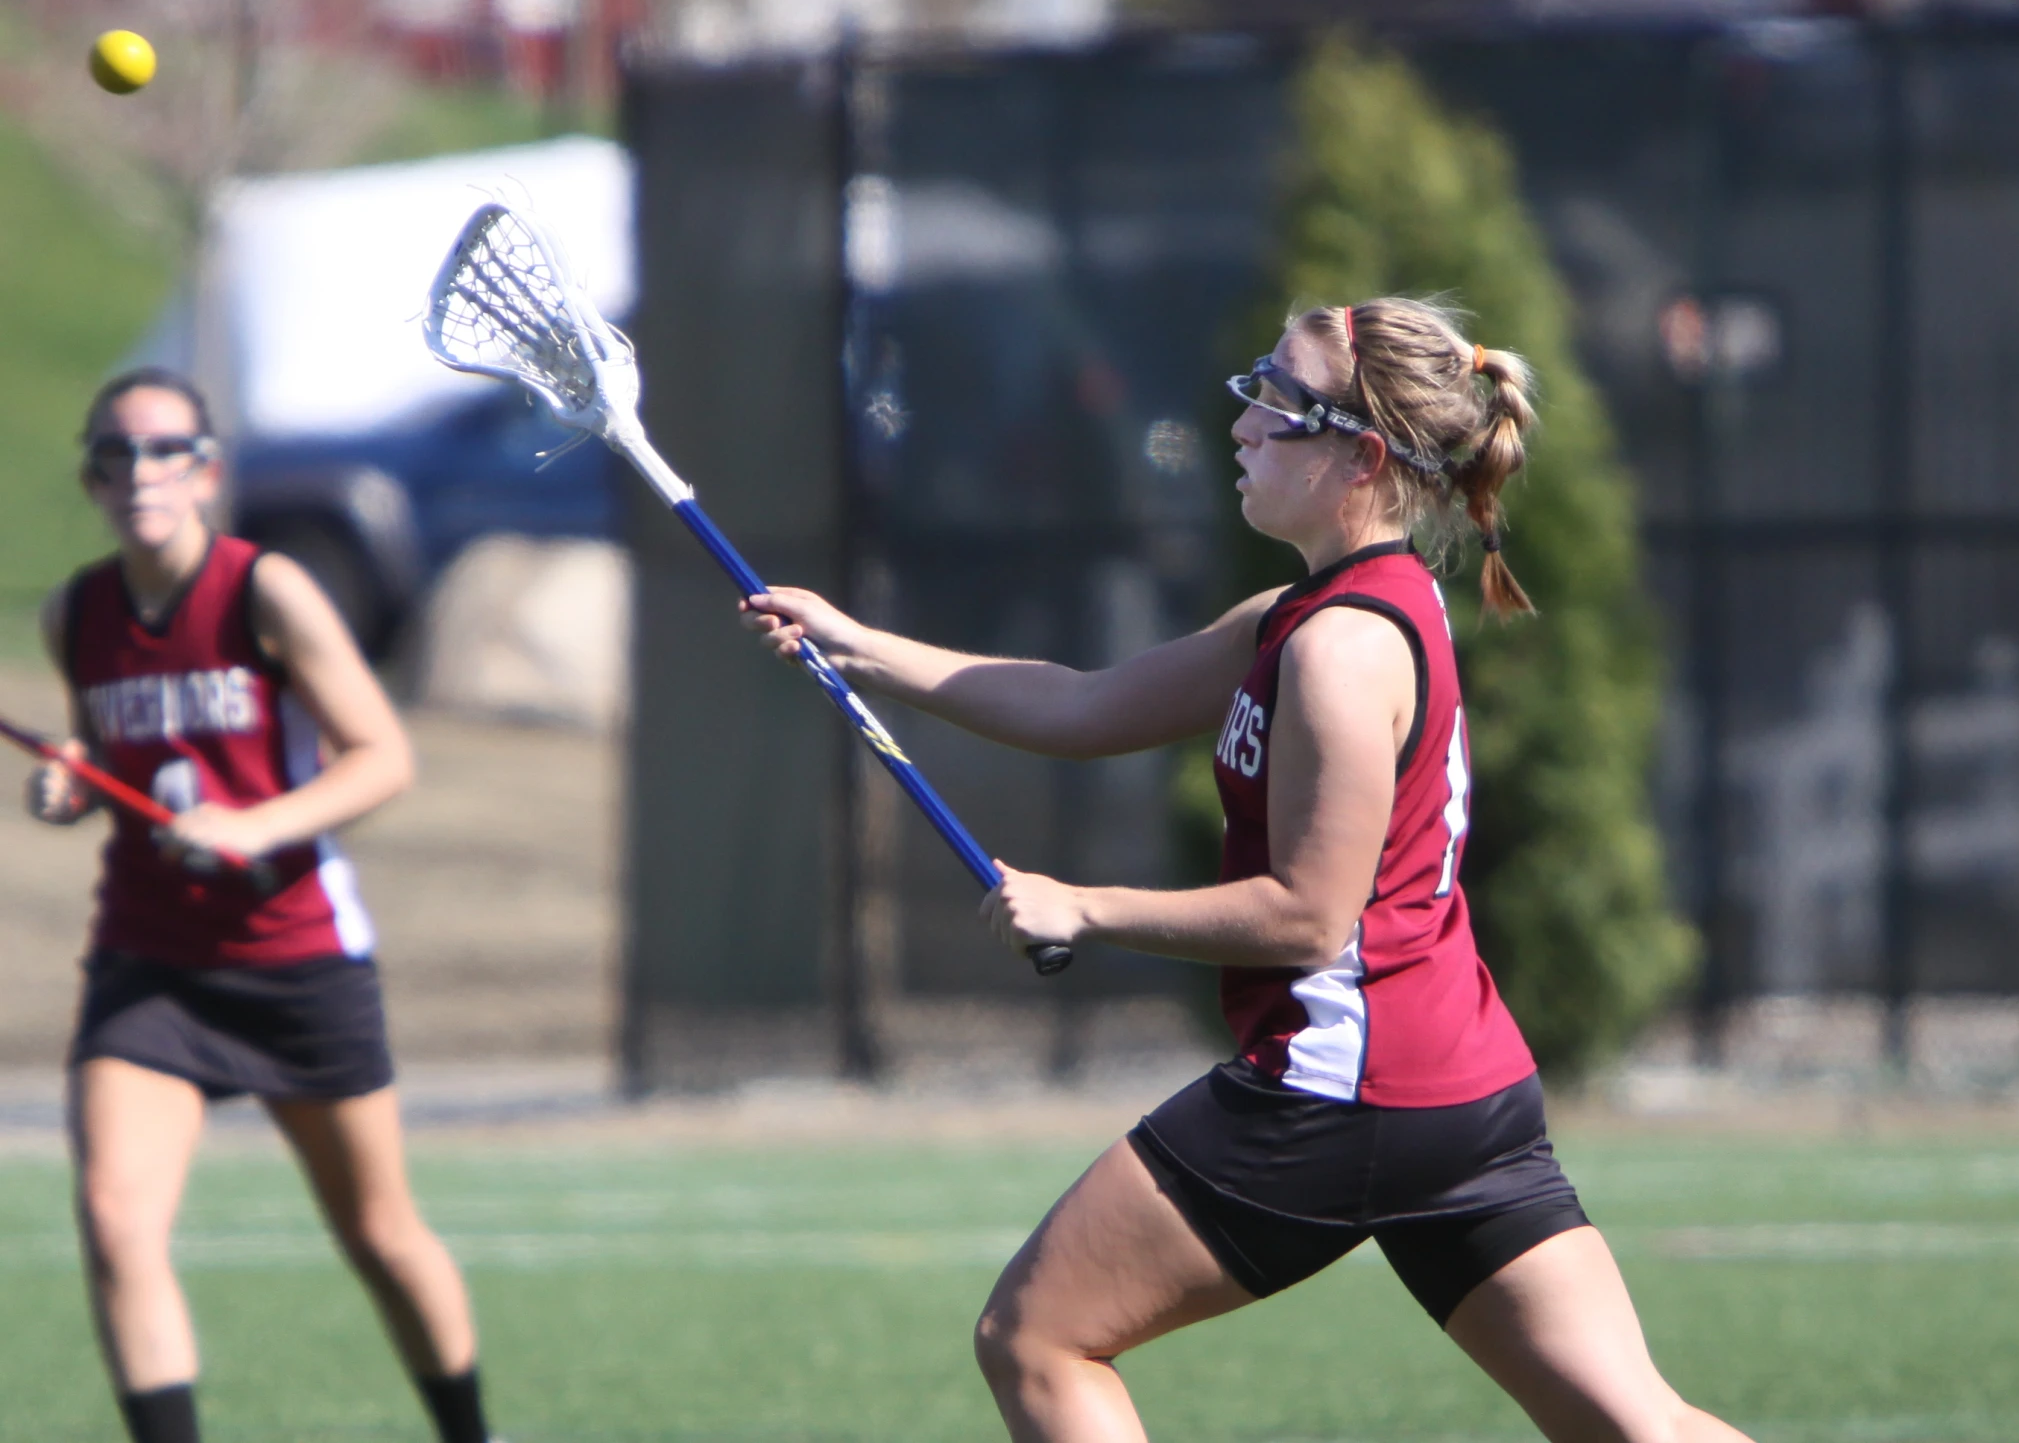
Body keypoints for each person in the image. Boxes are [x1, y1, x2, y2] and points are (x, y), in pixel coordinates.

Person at [745, 298, 1751, 1442]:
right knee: (1636, 1425)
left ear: (1361, 456)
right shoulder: (1308, 612)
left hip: (1341, 1085)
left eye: (1277, 401)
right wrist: (859, 645)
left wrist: (1085, 905)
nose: (1239, 423)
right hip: (1459, 1088)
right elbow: (1083, 701)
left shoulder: (1337, 649)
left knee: (1035, 1337)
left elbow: (1306, 917)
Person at [25, 368, 497, 1443]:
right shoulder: (78, 612)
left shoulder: (265, 590)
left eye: (163, 449)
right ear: (91, 476)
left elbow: (382, 756)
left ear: (206, 469)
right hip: (148, 959)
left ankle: (473, 1432)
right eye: (114, 453)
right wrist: (67, 780)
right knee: (115, 1220)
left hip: (298, 954)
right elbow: (108, 752)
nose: (137, 471)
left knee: (379, 1235)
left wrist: (257, 825)